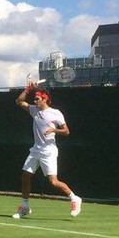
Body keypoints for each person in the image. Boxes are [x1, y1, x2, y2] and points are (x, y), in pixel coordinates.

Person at [13, 83, 82, 218]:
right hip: (35, 150)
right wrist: (28, 89)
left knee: (53, 181)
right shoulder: (34, 110)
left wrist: (53, 129)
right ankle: (25, 207)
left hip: (49, 151)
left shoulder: (56, 113)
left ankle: (75, 198)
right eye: (34, 98)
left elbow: (66, 131)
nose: (34, 101)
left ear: (45, 99)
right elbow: (19, 101)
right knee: (25, 176)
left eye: (37, 99)